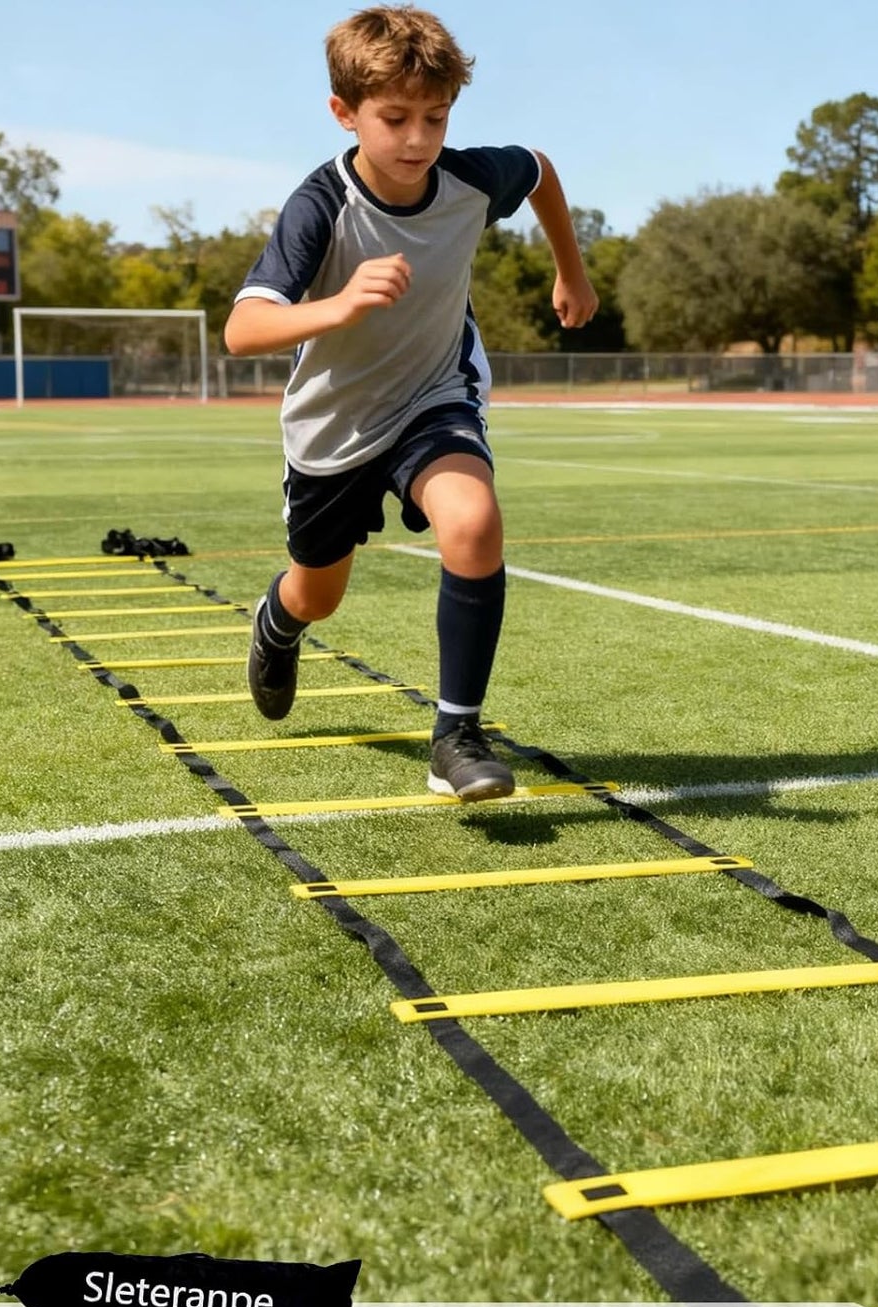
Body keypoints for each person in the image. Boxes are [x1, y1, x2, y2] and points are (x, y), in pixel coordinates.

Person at [224, 4, 597, 801]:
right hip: (333, 426)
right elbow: (243, 327)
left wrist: (572, 270)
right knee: (317, 591)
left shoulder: (468, 180)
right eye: (394, 118)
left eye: (436, 116)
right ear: (344, 112)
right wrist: (340, 306)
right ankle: (276, 623)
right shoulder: (318, 205)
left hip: (433, 397)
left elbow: (538, 167)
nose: (419, 138)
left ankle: (456, 734)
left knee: (473, 520)